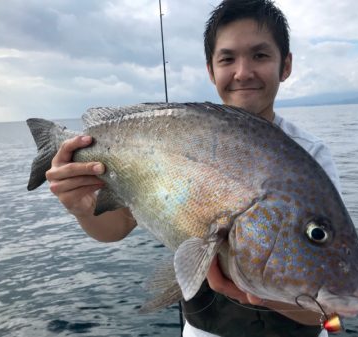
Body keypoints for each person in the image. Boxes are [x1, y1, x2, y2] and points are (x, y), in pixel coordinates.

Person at [45, 0, 341, 336]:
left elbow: (328, 309)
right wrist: (84, 210)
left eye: (260, 55)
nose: (243, 72)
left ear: (285, 66)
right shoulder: (175, 142)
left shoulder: (311, 154)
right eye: (227, 58)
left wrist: (271, 298)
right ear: (211, 70)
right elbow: (116, 227)